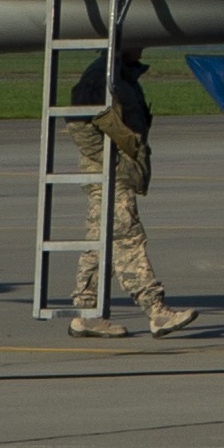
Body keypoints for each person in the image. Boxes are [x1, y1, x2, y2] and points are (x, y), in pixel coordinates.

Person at [63, 52, 195, 336]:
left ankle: (88, 314)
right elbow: (79, 122)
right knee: (127, 239)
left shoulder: (121, 73)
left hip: (114, 174)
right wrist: (111, 162)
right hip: (109, 177)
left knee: (102, 245)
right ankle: (156, 311)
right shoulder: (102, 75)